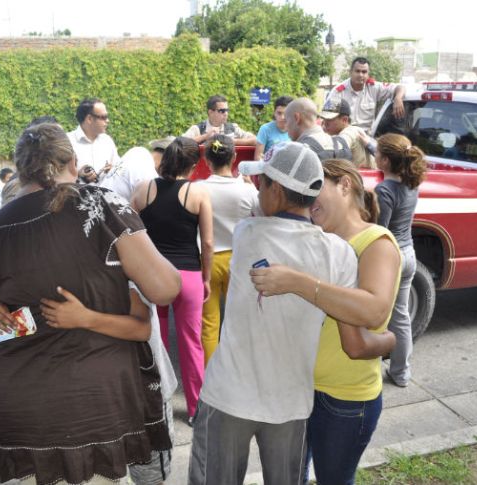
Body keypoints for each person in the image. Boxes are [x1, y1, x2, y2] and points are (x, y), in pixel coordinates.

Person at [0, 122, 181, 484]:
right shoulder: (100, 204)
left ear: (20, 168)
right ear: (72, 160)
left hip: (20, 406)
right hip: (89, 407)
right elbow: (165, 288)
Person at [188, 142, 358, 485]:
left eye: (261, 183)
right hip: (290, 401)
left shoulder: (248, 232)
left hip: (229, 395)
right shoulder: (340, 254)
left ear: (276, 191)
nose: (256, 189)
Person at [250, 158, 401, 484]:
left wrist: (298, 282)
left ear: (345, 184)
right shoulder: (314, 242)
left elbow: (373, 310)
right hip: (297, 389)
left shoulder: (376, 242)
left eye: (317, 187)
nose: (309, 198)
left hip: (344, 400)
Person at [39, 281, 179, 485]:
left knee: (149, 477)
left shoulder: (123, 255)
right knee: (104, 475)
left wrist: (84, 318)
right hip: (93, 399)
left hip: (143, 396)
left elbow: (141, 327)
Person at [130, 136, 214, 424]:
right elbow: (209, 243)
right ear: (193, 164)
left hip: (153, 276)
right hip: (188, 275)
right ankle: (195, 410)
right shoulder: (198, 193)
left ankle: (157, 406)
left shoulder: (144, 190)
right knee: (192, 345)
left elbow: (128, 232)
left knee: (156, 342)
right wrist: (206, 279)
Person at [197, 134, 259, 364]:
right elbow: (263, 215)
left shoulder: (198, 188)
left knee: (209, 325)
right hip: (239, 259)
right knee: (238, 321)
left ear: (206, 160)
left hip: (208, 260)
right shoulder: (246, 189)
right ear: (234, 157)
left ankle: (210, 374)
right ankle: (237, 370)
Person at [374, 133, 428, 388]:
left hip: (390, 258)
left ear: (384, 161)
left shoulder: (384, 190)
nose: (373, 156)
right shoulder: (412, 184)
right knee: (401, 316)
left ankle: (372, 366)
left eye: (377, 153)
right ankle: (401, 372)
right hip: (408, 254)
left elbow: (379, 231)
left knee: (377, 313)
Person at [323, 57, 406, 132]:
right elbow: (328, 118)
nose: (360, 75)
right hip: (345, 135)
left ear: (368, 74)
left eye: (364, 72)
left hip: (367, 137)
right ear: (350, 72)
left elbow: (400, 87)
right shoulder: (338, 91)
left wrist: (398, 98)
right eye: (357, 71)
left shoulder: (374, 87)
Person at [68, 97, 120, 183]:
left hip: (106, 195)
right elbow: (58, 175)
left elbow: (119, 170)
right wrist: (78, 174)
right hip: (76, 195)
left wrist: (112, 170)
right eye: (103, 117)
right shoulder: (68, 141)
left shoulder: (107, 141)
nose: (108, 120)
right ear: (89, 119)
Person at [319, 98, 377, 169]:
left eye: (329, 119)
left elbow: (339, 145)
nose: (325, 123)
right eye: (324, 118)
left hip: (364, 178)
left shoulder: (351, 131)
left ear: (344, 120)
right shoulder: (340, 132)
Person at [183, 94, 257, 146]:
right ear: (210, 112)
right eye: (222, 111)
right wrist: (205, 137)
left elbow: (256, 140)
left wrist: (232, 141)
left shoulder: (233, 128)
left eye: (227, 110)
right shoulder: (198, 129)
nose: (226, 113)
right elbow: (180, 144)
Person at [254, 96, 293, 160]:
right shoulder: (265, 129)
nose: (282, 117)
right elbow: (258, 157)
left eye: (285, 113)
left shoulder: (295, 130)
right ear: (274, 113)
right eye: (279, 113)